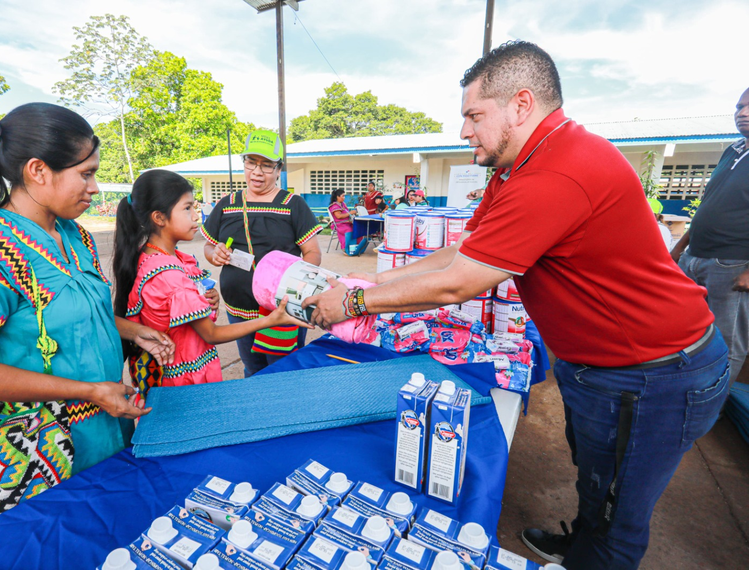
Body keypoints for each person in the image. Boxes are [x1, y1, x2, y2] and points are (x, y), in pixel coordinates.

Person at [304, 41, 727, 570]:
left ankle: (596, 552)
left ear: (521, 104)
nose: (464, 131)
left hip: (653, 372)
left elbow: (459, 283)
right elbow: (461, 248)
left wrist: (357, 301)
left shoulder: (558, 171)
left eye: (473, 116)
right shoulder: (520, 166)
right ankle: (582, 543)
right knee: (596, 480)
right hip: (600, 365)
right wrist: (382, 277)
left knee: (622, 518)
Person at [0, 103, 176, 484]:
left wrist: (129, 329)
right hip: (38, 450)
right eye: (86, 174)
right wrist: (90, 390)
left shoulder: (76, 237)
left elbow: (70, 311)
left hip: (105, 426)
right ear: (38, 170)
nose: (94, 187)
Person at [112, 170, 305, 386]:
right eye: (187, 208)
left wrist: (203, 297)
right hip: (183, 382)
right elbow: (211, 334)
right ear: (159, 218)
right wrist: (272, 320)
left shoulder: (155, 257)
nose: (196, 215)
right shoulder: (170, 275)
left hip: (167, 374)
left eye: (194, 206)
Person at [202, 130, 323, 376]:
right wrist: (215, 253)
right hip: (239, 309)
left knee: (283, 372)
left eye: (267, 165)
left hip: (280, 309)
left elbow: (312, 252)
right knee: (253, 369)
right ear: (244, 164)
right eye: (251, 163)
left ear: (279, 169)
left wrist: (294, 290)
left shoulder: (292, 205)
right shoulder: (228, 203)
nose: (257, 172)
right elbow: (209, 246)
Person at [672, 87, 749, 382]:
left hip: (731, 264)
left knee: (727, 340)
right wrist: (680, 246)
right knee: (682, 326)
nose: (741, 113)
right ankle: (684, 386)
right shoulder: (734, 150)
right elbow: (708, 202)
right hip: (694, 256)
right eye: (738, 107)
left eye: (748, 107)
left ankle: (713, 402)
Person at [328, 188, 368, 255]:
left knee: (358, 228)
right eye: (343, 196)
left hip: (347, 223)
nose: (344, 197)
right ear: (337, 197)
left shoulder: (343, 204)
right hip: (340, 225)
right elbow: (339, 216)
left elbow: (346, 213)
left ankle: (357, 247)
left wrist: (352, 213)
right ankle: (346, 249)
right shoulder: (334, 206)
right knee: (349, 230)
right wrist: (350, 213)